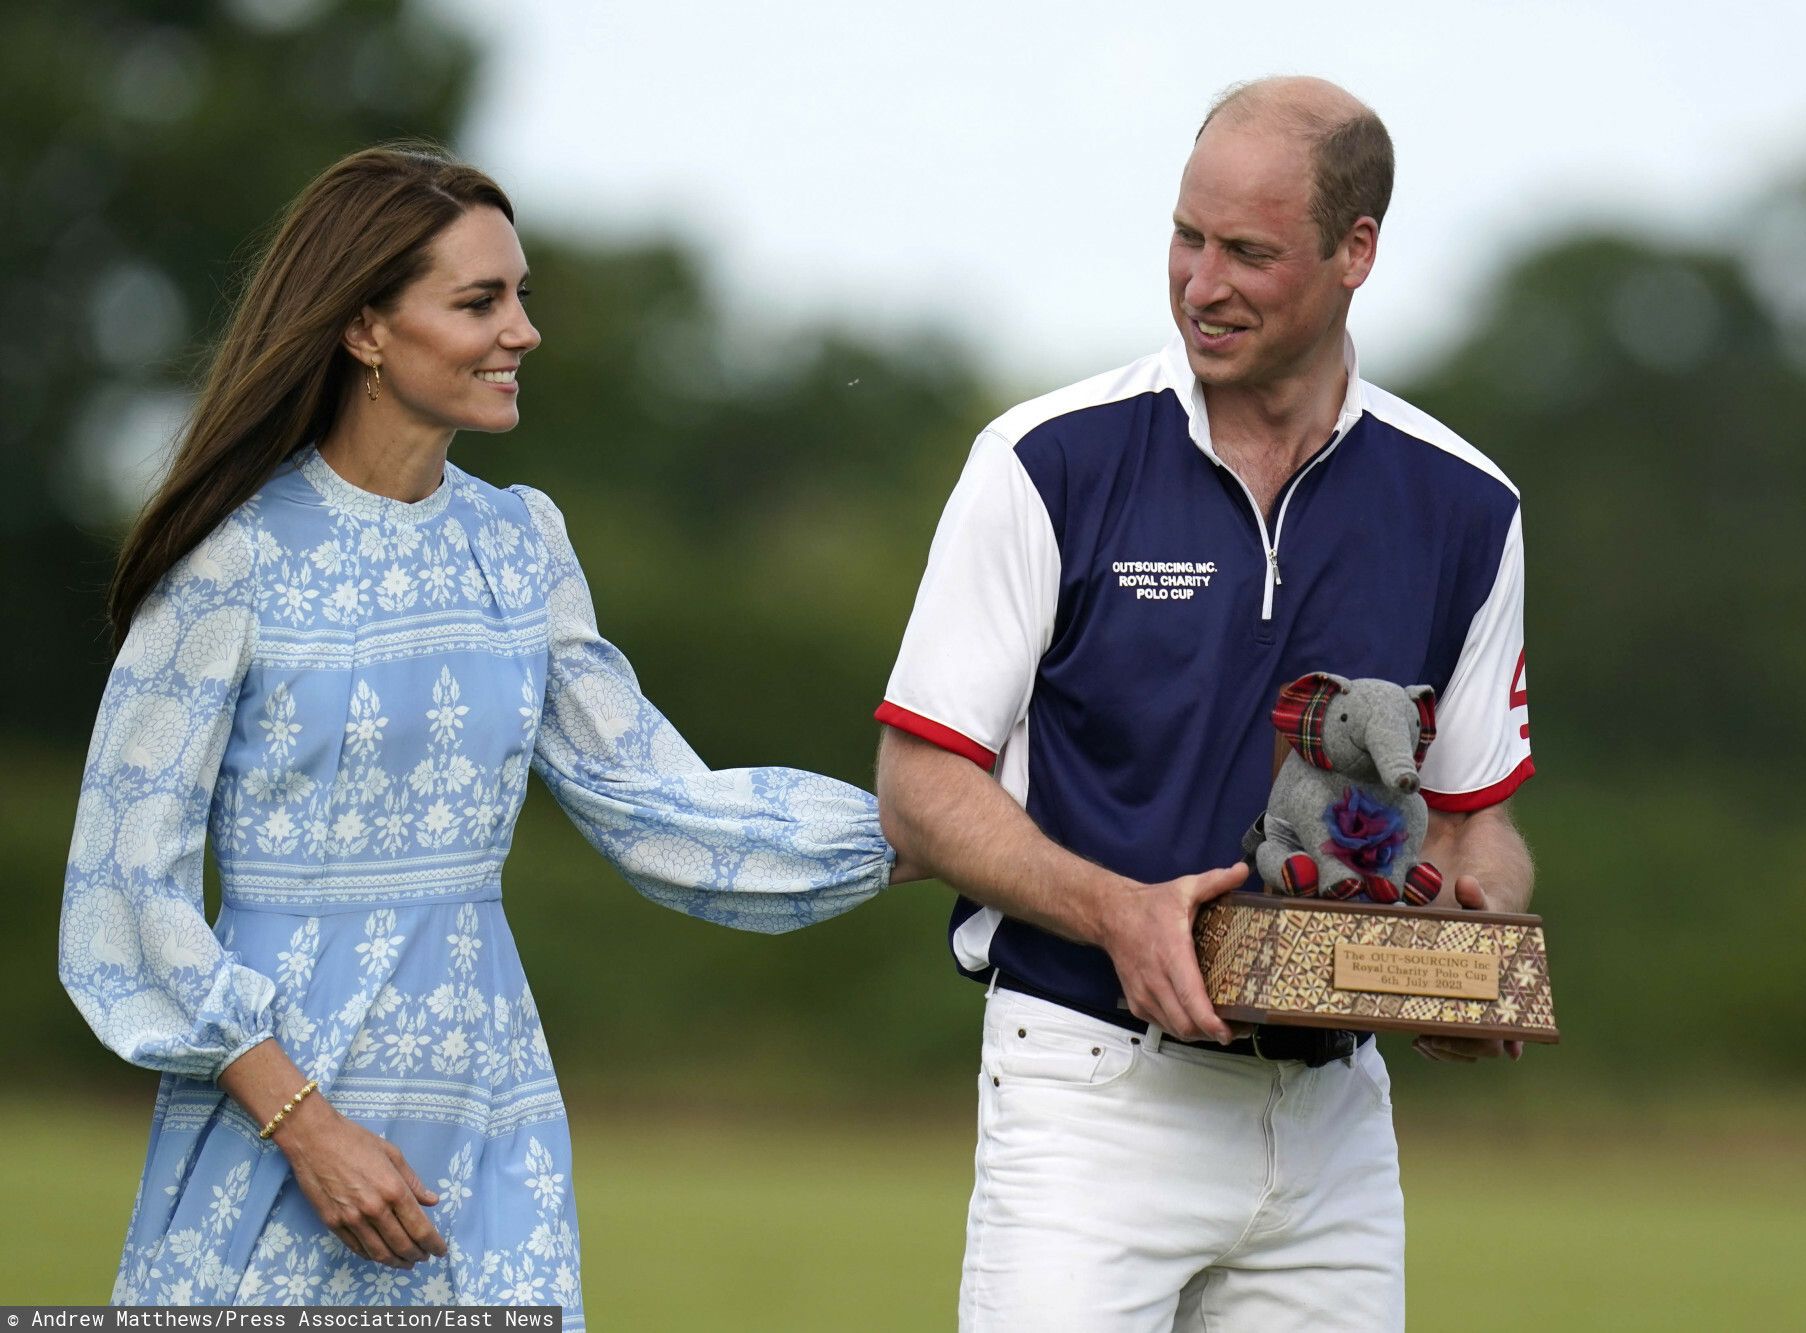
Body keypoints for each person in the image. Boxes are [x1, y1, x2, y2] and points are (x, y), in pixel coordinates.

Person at [59, 144, 907, 1324]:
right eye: (479, 301)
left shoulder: (520, 545)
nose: (523, 330)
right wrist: (305, 1126)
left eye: (521, 295)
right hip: (278, 1120)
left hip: (486, 1104)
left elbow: (656, 802)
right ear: (363, 327)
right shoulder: (231, 562)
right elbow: (125, 888)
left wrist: (931, 827)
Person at [875, 77, 1536, 1331]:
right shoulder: (1045, 460)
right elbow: (917, 792)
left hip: (1335, 1121)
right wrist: (1116, 913)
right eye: (1186, 237)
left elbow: (1472, 813)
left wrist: (1468, 937)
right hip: (1087, 1087)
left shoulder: (1467, 504)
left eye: (1247, 252)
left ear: (1356, 253)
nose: (1199, 283)